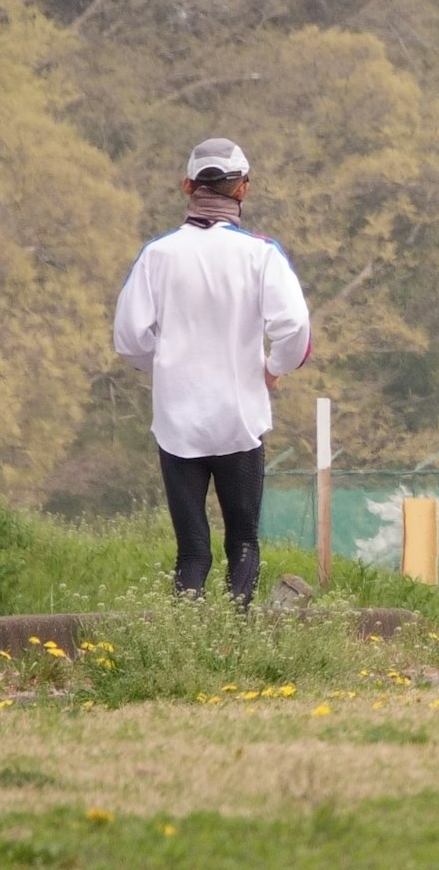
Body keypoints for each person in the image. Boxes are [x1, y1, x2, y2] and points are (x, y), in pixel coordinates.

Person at [110, 139, 314, 608]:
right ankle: (236, 635)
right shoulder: (261, 255)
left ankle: (187, 629)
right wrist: (273, 368)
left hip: (178, 422)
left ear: (187, 186)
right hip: (239, 420)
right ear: (242, 189)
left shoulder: (157, 256)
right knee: (242, 540)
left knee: (192, 552)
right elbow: (295, 326)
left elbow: (129, 337)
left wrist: (160, 365)